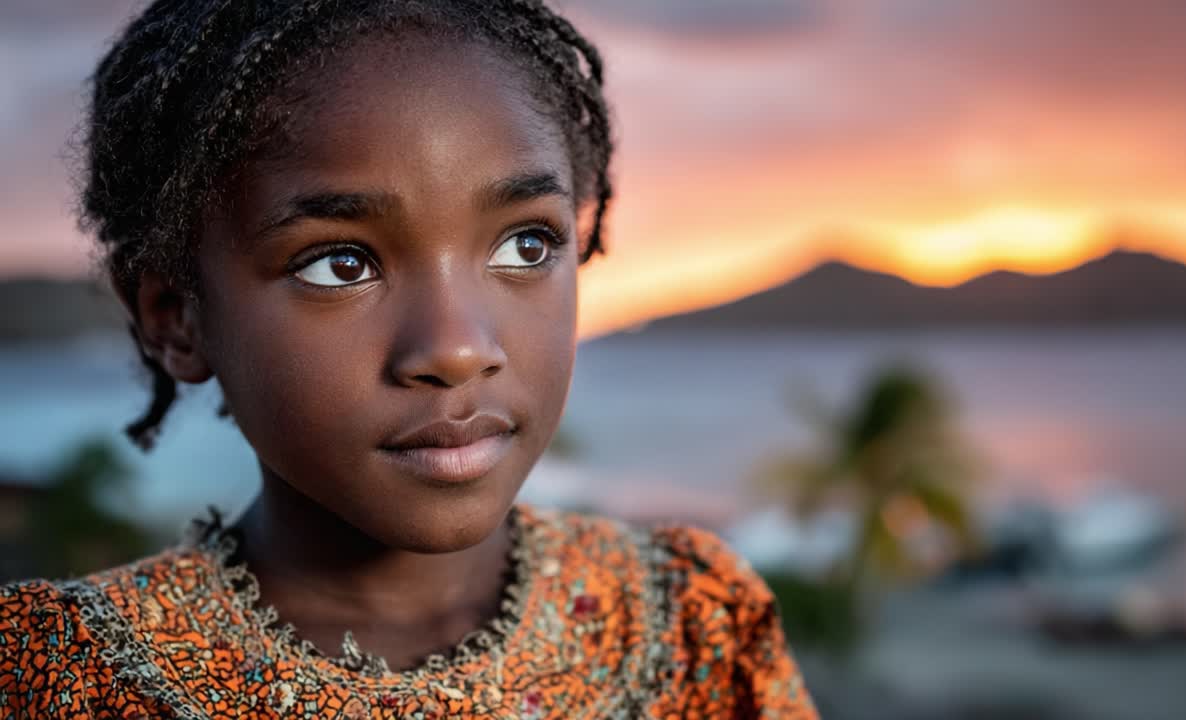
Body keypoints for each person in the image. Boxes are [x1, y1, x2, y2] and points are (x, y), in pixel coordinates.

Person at [0, 1, 817, 717]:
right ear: (176, 319)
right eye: (339, 264)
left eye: (526, 245)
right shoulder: (56, 678)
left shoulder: (694, 624)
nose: (458, 347)